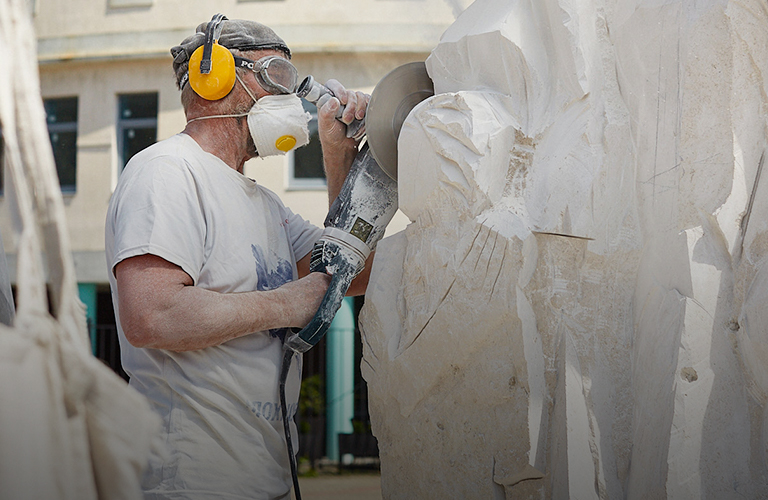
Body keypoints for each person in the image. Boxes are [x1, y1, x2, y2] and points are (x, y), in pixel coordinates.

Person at [105, 15, 371, 500]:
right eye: (277, 77)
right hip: (189, 481)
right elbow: (151, 315)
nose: (291, 101)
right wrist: (286, 304)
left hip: (263, 474)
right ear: (215, 75)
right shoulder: (166, 171)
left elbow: (350, 271)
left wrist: (342, 161)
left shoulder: (264, 204)